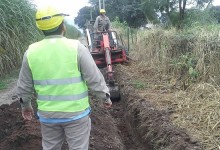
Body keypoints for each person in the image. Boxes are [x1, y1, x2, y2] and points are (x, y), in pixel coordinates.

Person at [16, 6, 112, 150]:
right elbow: (94, 78)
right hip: (76, 114)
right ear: (63, 26)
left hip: (48, 116)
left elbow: (24, 86)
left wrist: (26, 106)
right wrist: (104, 97)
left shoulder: (31, 52)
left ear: (41, 28)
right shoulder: (76, 47)